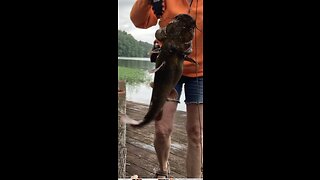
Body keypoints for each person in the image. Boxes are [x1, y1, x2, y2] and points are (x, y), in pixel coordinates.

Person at [130, 0, 203, 178]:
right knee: (161, 129)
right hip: (167, 67)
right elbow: (138, 20)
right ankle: (163, 169)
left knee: (195, 132)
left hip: (200, 71)